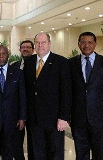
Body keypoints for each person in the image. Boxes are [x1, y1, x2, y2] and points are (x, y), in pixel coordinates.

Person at [24, 33, 71, 160]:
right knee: (36, 152)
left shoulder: (61, 62)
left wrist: (63, 117)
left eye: (43, 42)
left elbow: (66, 92)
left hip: (54, 119)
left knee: (54, 152)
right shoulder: (28, 62)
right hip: (34, 119)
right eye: (38, 43)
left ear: (49, 44)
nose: (40, 45)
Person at [70, 32, 103, 160]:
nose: (86, 45)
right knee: (81, 154)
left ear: (95, 44)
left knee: (100, 154)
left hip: (100, 119)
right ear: (78, 44)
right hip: (78, 119)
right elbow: (68, 91)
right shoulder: (71, 64)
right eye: (83, 42)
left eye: (90, 42)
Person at [11, 40, 34, 160]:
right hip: (17, 110)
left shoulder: (37, 66)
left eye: (28, 47)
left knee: (33, 141)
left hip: (33, 109)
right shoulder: (14, 65)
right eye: (23, 47)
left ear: (33, 50)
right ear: (20, 50)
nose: (25, 49)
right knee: (16, 141)